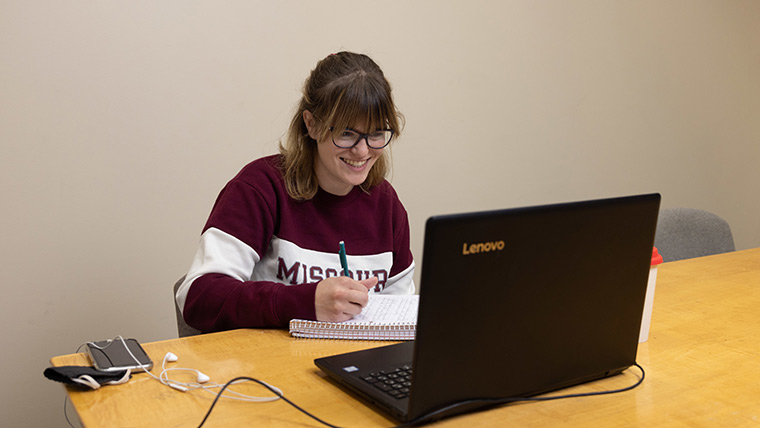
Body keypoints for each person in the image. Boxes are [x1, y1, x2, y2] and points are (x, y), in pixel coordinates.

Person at [175, 51, 415, 333]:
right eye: (347, 134)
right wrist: (306, 302)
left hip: (349, 368)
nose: (362, 151)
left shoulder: (386, 205)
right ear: (311, 124)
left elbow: (402, 319)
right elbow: (199, 297)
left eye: (376, 134)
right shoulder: (260, 188)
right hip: (266, 369)